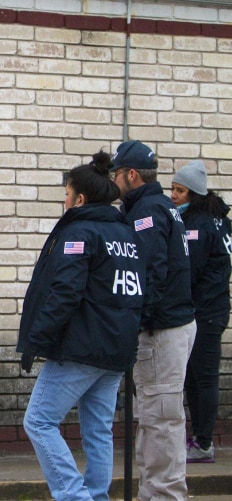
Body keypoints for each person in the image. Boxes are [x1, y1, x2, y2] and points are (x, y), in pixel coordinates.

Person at [18, 152, 145, 501]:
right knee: (98, 431)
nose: (64, 200)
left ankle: (75, 497)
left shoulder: (79, 232)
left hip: (80, 348)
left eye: (66, 194)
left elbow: (65, 292)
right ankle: (96, 496)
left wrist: (36, 339)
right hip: (116, 348)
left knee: (39, 422)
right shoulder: (127, 234)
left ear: (80, 199)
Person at [110, 140, 196, 501]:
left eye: (116, 175)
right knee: (154, 416)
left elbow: (149, 275)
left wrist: (136, 325)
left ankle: (162, 495)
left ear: (131, 175)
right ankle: (154, 493)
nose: (113, 182)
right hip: (170, 326)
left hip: (161, 331)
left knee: (161, 420)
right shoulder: (161, 206)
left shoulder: (146, 212)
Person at [170, 160, 231, 464]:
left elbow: (189, 270)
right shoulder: (216, 219)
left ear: (194, 193)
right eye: (172, 189)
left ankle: (204, 443)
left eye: (179, 190)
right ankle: (199, 439)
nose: (174, 195)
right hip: (211, 309)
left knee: (202, 378)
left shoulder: (199, 226)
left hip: (205, 311)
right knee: (195, 377)